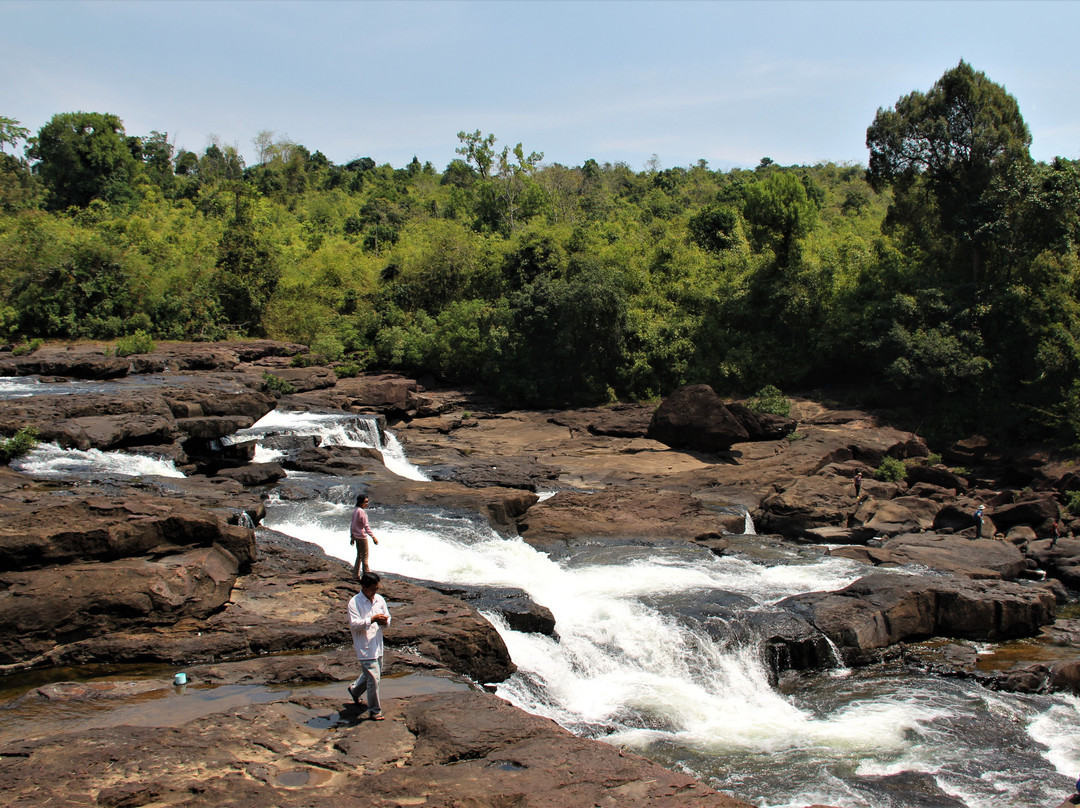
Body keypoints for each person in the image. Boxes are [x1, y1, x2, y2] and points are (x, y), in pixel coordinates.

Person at [347, 571, 391, 720]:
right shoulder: (354, 602)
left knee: (372, 675)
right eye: (373, 588)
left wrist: (385, 621)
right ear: (364, 587)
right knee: (374, 679)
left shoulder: (379, 600)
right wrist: (372, 619)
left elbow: (387, 617)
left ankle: (354, 690)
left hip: (377, 645)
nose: (375, 592)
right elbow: (354, 625)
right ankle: (375, 710)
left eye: (377, 588)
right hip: (364, 646)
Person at [349, 494, 378, 579]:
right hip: (362, 537)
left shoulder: (355, 511)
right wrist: (373, 537)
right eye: (365, 502)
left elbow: (352, 525)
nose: (367, 503)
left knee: (359, 556)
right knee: (365, 557)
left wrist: (352, 537)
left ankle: (355, 575)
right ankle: (367, 577)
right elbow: (366, 526)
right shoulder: (361, 512)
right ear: (360, 502)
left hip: (356, 536)